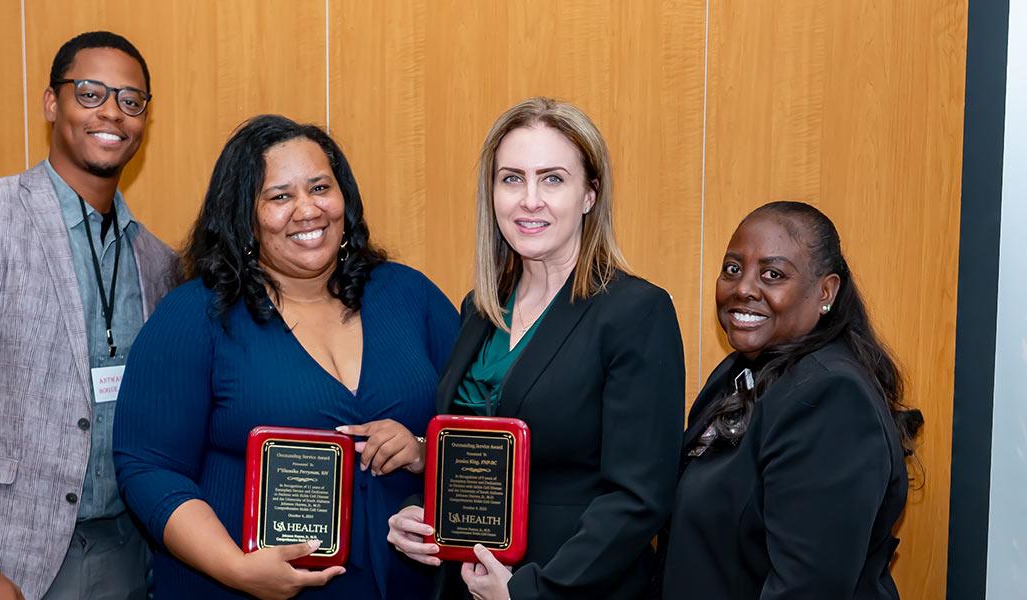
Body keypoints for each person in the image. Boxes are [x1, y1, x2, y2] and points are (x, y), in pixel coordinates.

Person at [112, 114, 460, 600]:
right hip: (238, 588)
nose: (307, 209)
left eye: (320, 187)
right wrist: (236, 568)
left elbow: (476, 431)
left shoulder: (409, 295)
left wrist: (422, 451)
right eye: (280, 196)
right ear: (243, 215)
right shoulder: (196, 315)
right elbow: (148, 467)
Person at [0, 31, 179, 600]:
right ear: (53, 103)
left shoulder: (159, 261)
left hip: (124, 552)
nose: (112, 114)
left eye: (131, 100)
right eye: (91, 93)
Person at [386, 97, 686, 600]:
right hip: (466, 585)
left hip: (569, 588)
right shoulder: (480, 310)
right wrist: (421, 515)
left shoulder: (636, 312)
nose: (529, 199)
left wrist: (533, 591)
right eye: (511, 178)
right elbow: (467, 454)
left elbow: (639, 498)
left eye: (552, 178)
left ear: (589, 194)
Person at [658, 201, 924, 599]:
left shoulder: (831, 397)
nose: (743, 288)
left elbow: (807, 587)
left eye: (772, 274)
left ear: (825, 292)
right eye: (733, 269)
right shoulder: (735, 375)